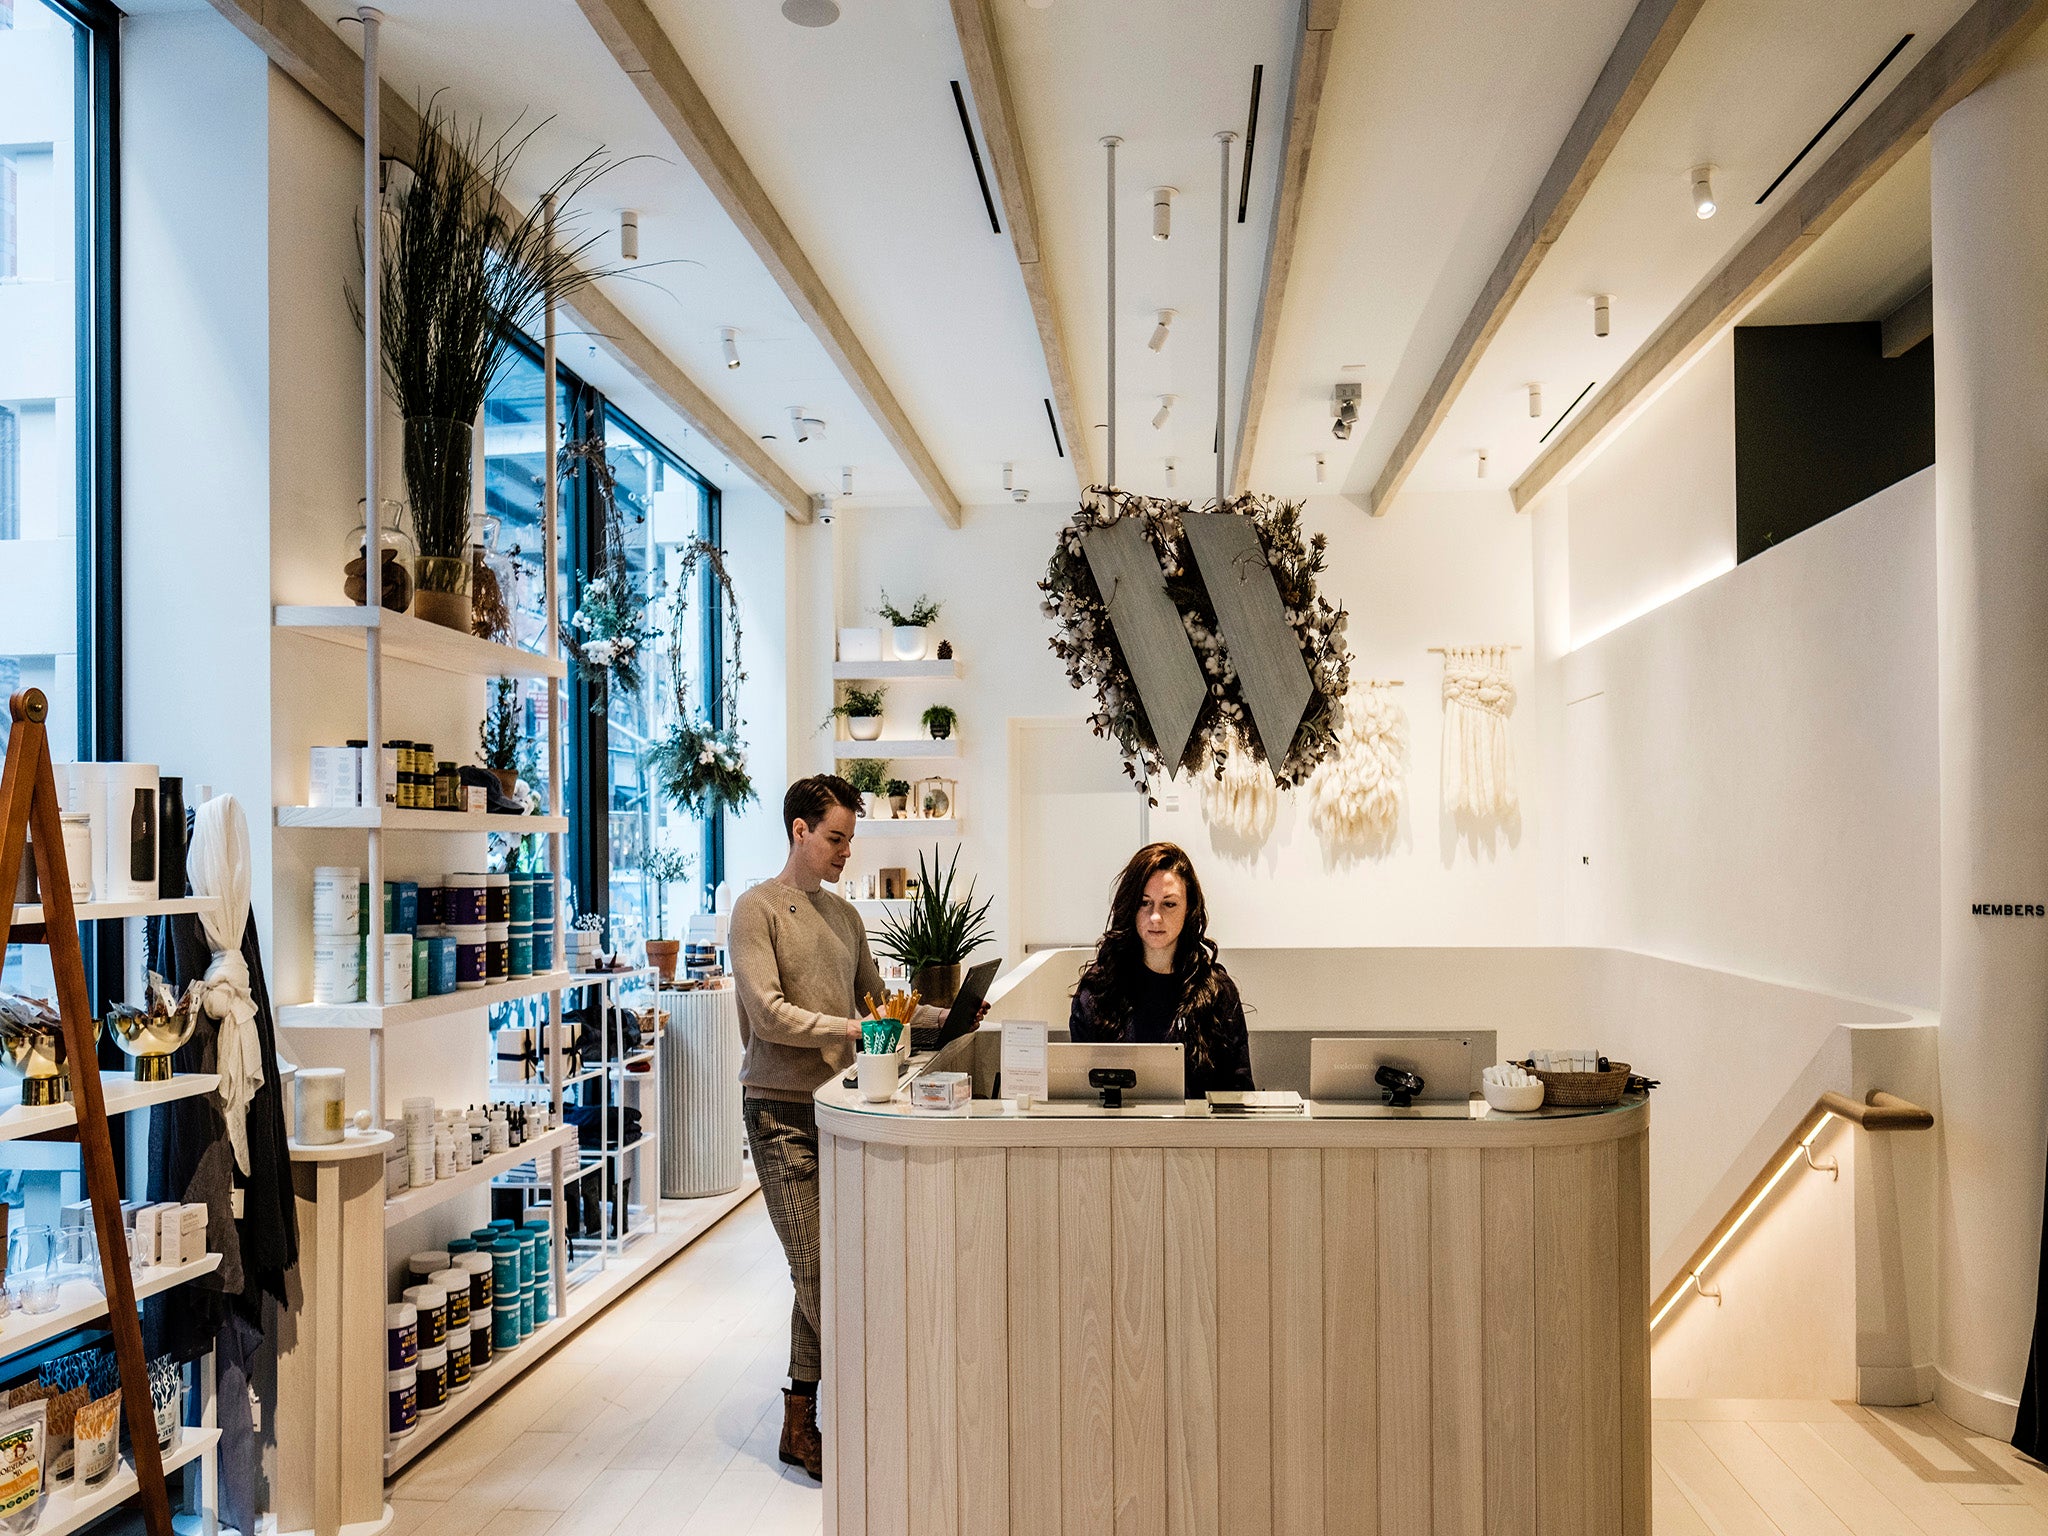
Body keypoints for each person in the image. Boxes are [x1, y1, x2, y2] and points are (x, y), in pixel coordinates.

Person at [729, 773, 942, 1482]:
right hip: (778, 1112)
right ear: (799, 830)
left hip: (844, 1113)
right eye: (836, 837)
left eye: (851, 839)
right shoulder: (756, 910)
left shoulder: (846, 918)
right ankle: (878, 1397)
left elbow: (883, 1002)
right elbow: (768, 1014)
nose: (846, 851)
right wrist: (856, 1027)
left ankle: (799, 1417)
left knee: (821, 1264)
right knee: (817, 1265)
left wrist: (951, 1014)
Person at [1069, 841, 1255, 1098]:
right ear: (1130, 907)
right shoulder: (1098, 992)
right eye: (1145, 903)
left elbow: (1239, 1094)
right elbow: (1082, 1098)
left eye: (1169, 904)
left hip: (1198, 1137)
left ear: (1189, 909)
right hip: (1117, 1137)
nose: (1155, 917)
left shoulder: (1216, 992)